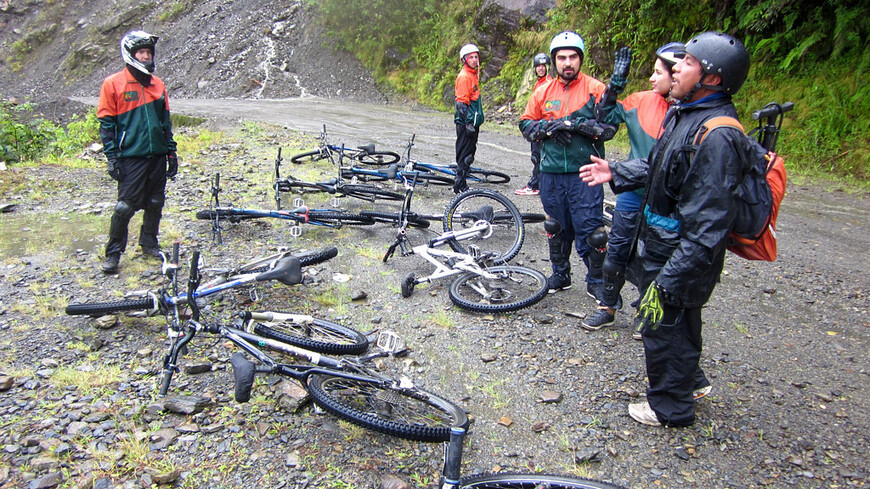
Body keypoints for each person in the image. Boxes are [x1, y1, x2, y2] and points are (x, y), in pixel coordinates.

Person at [579, 32, 752, 427]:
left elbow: (708, 227)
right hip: (661, 242)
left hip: (683, 254)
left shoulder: (719, 135)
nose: (676, 67)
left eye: (688, 63)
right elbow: (658, 166)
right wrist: (616, 170)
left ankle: (670, 408)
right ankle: (688, 384)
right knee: (677, 323)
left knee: (660, 323)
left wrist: (670, 279)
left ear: (713, 78)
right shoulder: (684, 114)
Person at [581, 42, 685, 332]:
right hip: (631, 193)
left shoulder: (687, 112)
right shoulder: (641, 99)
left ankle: (647, 311)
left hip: (665, 199)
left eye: (657, 72)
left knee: (656, 257)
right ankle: (607, 306)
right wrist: (616, 84)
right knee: (617, 250)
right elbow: (605, 116)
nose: (651, 78)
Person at [519, 31, 628, 301]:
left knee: (593, 231)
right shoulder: (543, 91)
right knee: (556, 225)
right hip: (551, 173)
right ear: (555, 61)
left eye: (573, 57)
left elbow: (610, 127)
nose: (567, 63)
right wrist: (547, 129)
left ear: (580, 59)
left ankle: (597, 281)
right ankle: (560, 274)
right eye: (562, 58)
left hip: (586, 173)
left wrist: (575, 125)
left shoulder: (595, 88)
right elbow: (525, 124)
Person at [98, 30, 178, 273]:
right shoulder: (113, 83)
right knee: (125, 207)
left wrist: (171, 153)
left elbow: (165, 122)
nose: (145, 56)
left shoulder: (158, 84)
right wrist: (112, 157)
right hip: (131, 155)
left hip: (157, 155)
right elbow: (107, 123)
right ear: (131, 54)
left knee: (155, 202)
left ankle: (149, 244)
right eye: (141, 52)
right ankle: (112, 254)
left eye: (148, 52)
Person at [515, 53, 552, 197]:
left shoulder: (548, 84)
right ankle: (540, 184)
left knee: (538, 157)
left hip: (542, 125)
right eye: (539, 66)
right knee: (538, 156)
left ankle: (535, 185)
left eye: (543, 66)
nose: (541, 69)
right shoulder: (539, 84)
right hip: (536, 123)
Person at [453, 43, 485, 194]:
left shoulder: (472, 75)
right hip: (466, 123)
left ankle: (462, 181)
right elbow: (461, 104)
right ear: (464, 59)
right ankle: (460, 185)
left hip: (472, 122)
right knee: (464, 154)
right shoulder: (465, 77)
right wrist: (468, 124)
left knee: (469, 153)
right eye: (471, 57)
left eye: (476, 57)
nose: (474, 60)